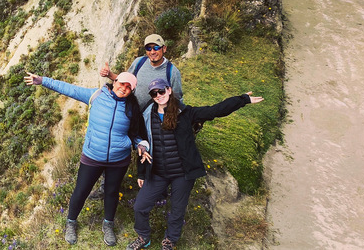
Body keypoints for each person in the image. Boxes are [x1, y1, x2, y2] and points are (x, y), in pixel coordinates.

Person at [126, 78, 264, 250]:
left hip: (182, 173)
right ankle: (143, 236)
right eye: (154, 93)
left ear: (169, 90)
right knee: (140, 206)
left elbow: (215, 110)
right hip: (157, 172)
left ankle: (170, 240)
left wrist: (243, 100)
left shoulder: (185, 113)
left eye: (161, 91)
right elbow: (143, 145)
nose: (158, 96)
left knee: (177, 210)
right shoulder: (147, 115)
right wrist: (141, 173)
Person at [24, 71, 144, 246]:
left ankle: (108, 224)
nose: (123, 88)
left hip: (118, 159)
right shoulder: (96, 95)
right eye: (121, 84)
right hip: (93, 155)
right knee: (81, 190)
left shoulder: (132, 108)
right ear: (114, 81)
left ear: (132, 90)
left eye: (128, 87)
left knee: (111, 192)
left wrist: (141, 144)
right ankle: (71, 222)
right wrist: (42, 80)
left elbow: (136, 134)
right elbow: (69, 89)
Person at [101, 34, 183, 111]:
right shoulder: (139, 62)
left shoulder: (172, 72)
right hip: (133, 112)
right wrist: (109, 74)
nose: (152, 52)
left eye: (156, 47)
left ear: (164, 49)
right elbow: (125, 82)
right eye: (148, 48)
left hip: (154, 119)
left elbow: (177, 98)